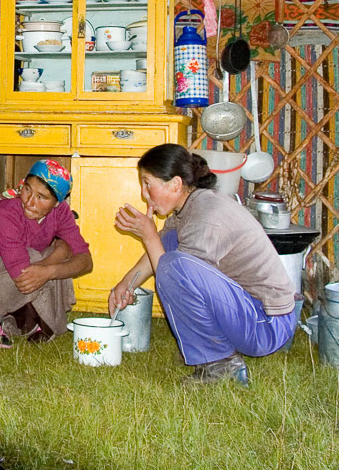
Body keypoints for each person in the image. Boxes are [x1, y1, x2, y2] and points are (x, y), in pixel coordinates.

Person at [109, 144, 296, 385]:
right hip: (250, 311)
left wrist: (148, 235)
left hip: (267, 324)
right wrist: (126, 284)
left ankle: (221, 363)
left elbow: (173, 273)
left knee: (175, 266)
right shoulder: (189, 206)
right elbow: (163, 247)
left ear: (175, 184)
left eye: (148, 184)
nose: (144, 194)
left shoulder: (206, 216)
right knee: (170, 241)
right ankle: (209, 346)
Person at [0, 160, 92, 348]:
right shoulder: (6, 212)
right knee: (39, 256)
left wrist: (52, 267)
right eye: (27, 189)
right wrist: (58, 256)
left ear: (57, 203)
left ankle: (33, 320)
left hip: (7, 281)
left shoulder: (61, 212)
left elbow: (85, 261)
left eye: (41, 197)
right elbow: (21, 274)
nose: (30, 201)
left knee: (59, 256)